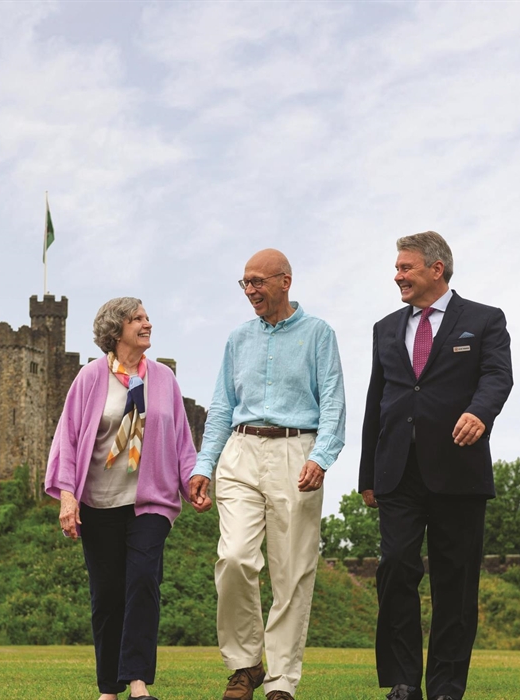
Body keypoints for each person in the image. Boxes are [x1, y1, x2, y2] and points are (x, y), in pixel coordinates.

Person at [359, 231, 513, 700]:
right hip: (397, 471)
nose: (397, 275)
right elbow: (376, 400)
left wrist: (480, 413)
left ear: (435, 269)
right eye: (397, 268)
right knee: (396, 566)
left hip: (458, 469)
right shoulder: (385, 327)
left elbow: (497, 375)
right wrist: (367, 474)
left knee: (456, 580)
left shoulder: (484, 320)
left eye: (405, 268)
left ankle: (446, 686)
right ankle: (404, 681)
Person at [189, 249, 345, 700]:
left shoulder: (318, 333)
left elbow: (333, 400)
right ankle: (245, 664)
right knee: (235, 557)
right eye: (245, 283)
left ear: (285, 282)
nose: (251, 291)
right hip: (240, 451)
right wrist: (205, 465)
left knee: (292, 571)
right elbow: (220, 406)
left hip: (298, 451)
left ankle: (281, 681)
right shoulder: (238, 338)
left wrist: (322, 455)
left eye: (258, 282)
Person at [45, 297, 208, 700]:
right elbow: (67, 440)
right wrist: (69, 499)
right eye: (137, 319)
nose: (147, 323)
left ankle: (137, 684)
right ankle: (108, 689)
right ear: (116, 331)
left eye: (148, 317)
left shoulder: (164, 379)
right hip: (98, 502)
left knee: (142, 583)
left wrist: (193, 480)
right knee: (106, 595)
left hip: (149, 501)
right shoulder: (88, 378)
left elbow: (182, 440)